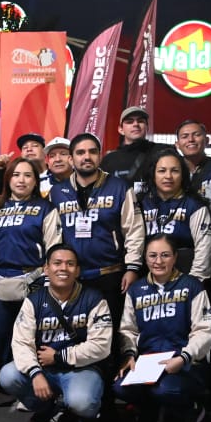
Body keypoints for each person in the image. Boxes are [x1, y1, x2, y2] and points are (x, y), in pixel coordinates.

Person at [0, 243, 113, 422]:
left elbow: (101, 345)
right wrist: (35, 373)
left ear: (77, 271)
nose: (63, 268)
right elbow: (21, 342)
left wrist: (60, 356)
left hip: (81, 368)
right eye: (57, 263)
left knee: (81, 402)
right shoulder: (34, 300)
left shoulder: (94, 299)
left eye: (70, 264)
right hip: (45, 368)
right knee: (8, 375)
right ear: (46, 269)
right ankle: (46, 408)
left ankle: (80, 413)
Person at [0, 156, 62, 405]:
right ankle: (5, 387)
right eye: (16, 175)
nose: (21, 180)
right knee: (2, 335)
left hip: (33, 279)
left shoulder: (46, 208)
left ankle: (36, 388)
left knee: (34, 336)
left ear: (36, 180)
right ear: (8, 179)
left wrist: (48, 278)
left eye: (27, 175)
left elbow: (54, 245)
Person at [113, 234, 211, 422]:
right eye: (152, 255)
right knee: (120, 388)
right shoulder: (136, 290)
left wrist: (184, 357)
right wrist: (129, 354)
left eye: (165, 255)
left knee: (165, 390)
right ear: (145, 258)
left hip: (184, 363)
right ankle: (155, 410)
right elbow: (128, 329)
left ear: (175, 257)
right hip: (148, 363)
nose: (158, 261)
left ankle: (192, 411)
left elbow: (204, 330)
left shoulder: (192, 286)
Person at [50, 134, 145, 338]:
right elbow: (52, 234)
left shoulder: (119, 187)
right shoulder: (56, 192)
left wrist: (132, 267)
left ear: (99, 156)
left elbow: (134, 230)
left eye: (92, 152)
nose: (87, 157)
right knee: (77, 336)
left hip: (110, 275)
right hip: (72, 277)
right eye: (80, 152)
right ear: (71, 159)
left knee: (111, 336)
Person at [136, 148, 211, 280]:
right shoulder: (140, 204)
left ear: (183, 175)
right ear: (153, 174)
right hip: (146, 279)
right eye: (162, 171)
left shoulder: (194, 206)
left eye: (175, 171)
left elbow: (205, 249)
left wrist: (193, 282)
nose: (168, 176)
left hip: (186, 277)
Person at [101, 106, 158, 183]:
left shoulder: (160, 152)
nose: (136, 124)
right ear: (121, 130)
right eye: (129, 122)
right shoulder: (109, 160)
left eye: (140, 121)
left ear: (147, 128)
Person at [175, 119, 211, 192]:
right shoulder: (172, 169)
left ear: (207, 141)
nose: (191, 139)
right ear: (177, 145)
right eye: (185, 136)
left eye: (197, 135)